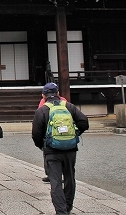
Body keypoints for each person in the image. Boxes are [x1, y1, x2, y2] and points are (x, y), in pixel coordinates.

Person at [32, 83, 89, 215]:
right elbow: (84, 122)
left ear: (43, 96)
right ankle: (68, 206)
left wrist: (43, 145)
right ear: (58, 93)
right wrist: (75, 134)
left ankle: (61, 211)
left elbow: (36, 134)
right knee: (69, 177)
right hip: (70, 149)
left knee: (55, 181)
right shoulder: (69, 106)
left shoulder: (42, 110)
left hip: (52, 151)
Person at [38, 93, 68, 183]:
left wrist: (39, 141)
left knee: (49, 156)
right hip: (65, 133)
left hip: (49, 133)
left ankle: (50, 174)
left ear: (43, 95)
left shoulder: (43, 103)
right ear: (57, 93)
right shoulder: (64, 101)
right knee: (65, 155)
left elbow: (39, 117)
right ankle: (64, 175)